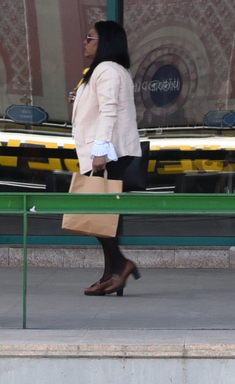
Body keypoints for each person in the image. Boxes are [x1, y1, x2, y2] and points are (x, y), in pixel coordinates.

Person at [70, 19, 143, 296]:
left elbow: (109, 112)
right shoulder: (107, 70)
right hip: (107, 152)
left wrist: (100, 151)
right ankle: (110, 273)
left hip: (107, 154)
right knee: (102, 217)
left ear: (105, 43)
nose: (85, 43)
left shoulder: (107, 70)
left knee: (97, 214)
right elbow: (101, 107)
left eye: (90, 38)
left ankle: (121, 266)